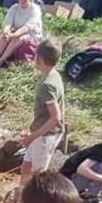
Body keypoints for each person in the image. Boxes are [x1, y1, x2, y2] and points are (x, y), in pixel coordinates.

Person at [16, 37, 65, 180]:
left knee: (38, 174)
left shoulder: (47, 85)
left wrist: (33, 136)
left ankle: (34, 201)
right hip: (39, 133)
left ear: (40, 58)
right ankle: (22, 198)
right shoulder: (53, 75)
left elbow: (56, 117)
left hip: (45, 136)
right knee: (26, 167)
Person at [0, 0, 45, 67]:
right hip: (16, 32)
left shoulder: (35, 9)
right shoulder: (14, 8)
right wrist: (6, 32)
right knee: (4, 37)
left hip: (32, 36)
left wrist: (13, 35)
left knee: (17, 37)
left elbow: (28, 27)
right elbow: (8, 22)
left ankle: (0, 62)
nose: (23, 0)